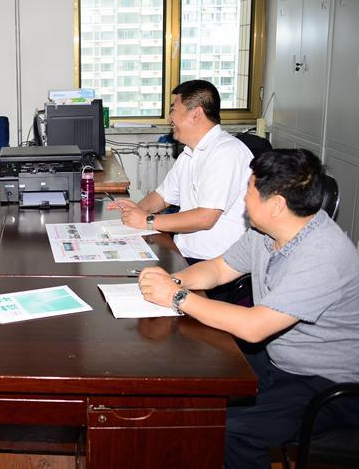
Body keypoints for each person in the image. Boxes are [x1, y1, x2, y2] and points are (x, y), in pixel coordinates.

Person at [138, 149, 359, 469]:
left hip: (327, 382)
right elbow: (218, 270)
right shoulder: (268, 232)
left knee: (230, 429)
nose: (243, 198)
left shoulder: (323, 255)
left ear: (277, 205)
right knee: (192, 379)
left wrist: (177, 297)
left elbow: (254, 327)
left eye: (250, 190)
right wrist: (170, 281)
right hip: (280, 359)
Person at [108, 80, 253, 262]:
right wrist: (137, 209)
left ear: (196, 114)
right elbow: (162, 197)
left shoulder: (227, 153)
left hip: (216, 262)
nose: (169, 119)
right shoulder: (189, 153)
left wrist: (148, 221)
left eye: (173, 111)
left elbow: (205, 218)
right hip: (185, 252)